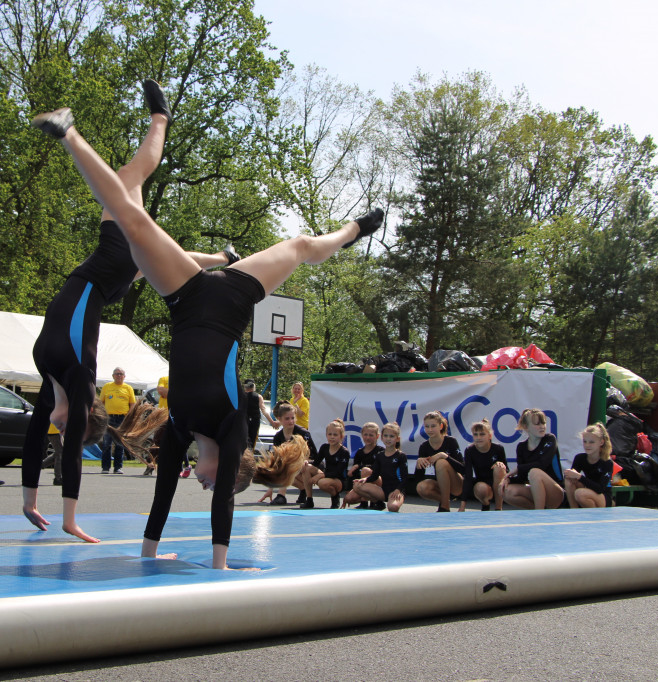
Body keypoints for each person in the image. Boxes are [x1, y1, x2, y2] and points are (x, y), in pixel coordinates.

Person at [30, 100, 385, 567]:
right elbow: (225, 507)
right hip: (234, 298)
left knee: (135, 226)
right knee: (300, 245)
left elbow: (159, 500)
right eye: (212, 483)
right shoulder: (233, 427)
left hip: (185, 296)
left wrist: (148, 557)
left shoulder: (180, 428)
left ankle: (69, 133)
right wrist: (219, 566)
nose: (202, 485)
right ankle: (352, 230)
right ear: (231, 470)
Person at [21, 81, 234, 541]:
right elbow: (69, 454)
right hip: (104, 272)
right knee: (128, 180)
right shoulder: (78, 380)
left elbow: (35, 436)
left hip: (107, 275)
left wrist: (29, 501)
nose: (60, 434)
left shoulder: (48, 384)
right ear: (84, 420)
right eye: (71, 433)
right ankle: (154, 122)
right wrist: (70, 517)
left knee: (133, 185)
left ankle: (218, 259)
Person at [500, 408, 565, 509]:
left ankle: (538, 515)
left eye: (543, 423)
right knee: (507, 491)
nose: (542, 427)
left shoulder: (549, 439)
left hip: (556, 492)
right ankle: (536, 510)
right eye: (537, 424)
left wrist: (518, 468)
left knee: (535, 472)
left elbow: (542, 464)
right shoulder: (521, 447)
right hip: (537, 492)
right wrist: (508, 480)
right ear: (526, 427)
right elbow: (522, 477)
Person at [266, 400, 318, 506]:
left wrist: (304, 460)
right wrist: (270, 488)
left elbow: (314, 454)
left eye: (292, 418)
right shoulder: (278, 437)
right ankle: (303, 489)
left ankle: (281, 496)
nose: (291, 421)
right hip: (293, 467)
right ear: (279, 419)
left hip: (308, 465)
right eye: (287, 419)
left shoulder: (303, 433)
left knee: (287, 466)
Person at [414, 411, 464, 512]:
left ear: (441, 426)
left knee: (441, 462)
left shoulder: (451, 442)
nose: (430, 429)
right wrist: (418, 464)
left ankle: (444, 507)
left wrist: (444, 456)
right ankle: (445, 502)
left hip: (457, 484)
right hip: (441, 485)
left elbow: (463, 469)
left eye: (433, 426)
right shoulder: (424, 447)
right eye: (427, 426)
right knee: (421, 487)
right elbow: (419, 478)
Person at [353, 422, 408, 512]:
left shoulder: (401, 456)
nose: (388, 439)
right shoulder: (380, 455)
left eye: (391, 436)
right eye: (386, 436)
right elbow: (375, 475)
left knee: (393, 507)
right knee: (357, 485)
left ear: (397, 439)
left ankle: (391, 500)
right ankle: (377, 501)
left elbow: (405, 478)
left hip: (396, 490)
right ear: (382, 438)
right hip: (383, 490)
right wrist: (365, 479)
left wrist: (398, 490)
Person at [458, 419, 508, 511]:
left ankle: (498, 508)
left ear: (490, 436)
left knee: (499, 467)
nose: (478, 437)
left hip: (497, 484)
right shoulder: (470, 451)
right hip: (482, 485)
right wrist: (462, 506)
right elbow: (468, 476)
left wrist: (500, 464)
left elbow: (507, 472)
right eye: (475, 434)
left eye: (482, 434)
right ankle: (485, 504)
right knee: (481, 488)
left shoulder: (498, 449)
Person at [563, 422, 615, 508]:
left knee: (580, 494)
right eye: (585, 441)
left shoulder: (607, 462)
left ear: (601, 442)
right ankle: (573, 510)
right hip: (589, 491)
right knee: (569, 480)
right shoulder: (580, 458)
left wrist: (579, 477)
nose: (587, 445)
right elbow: (570, 478)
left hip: (603, 497)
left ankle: (594, 516)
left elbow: (600, 489)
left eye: (591, 442)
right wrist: (570, 475)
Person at [302, 418, 351, 508]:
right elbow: (316, 463)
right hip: (326, 475)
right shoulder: (324, 447)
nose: (332, 437)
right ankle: (309, 499)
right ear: (326, 435)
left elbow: (338, 472)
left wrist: (321, 475)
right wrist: (306, 462)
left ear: (341, 436)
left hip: (339, 480)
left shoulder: (344, 452)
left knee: (322, 483)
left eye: (335, 435)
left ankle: (335, 496)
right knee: (306, 467)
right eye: (330, 434)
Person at [100, 367, 136, 474]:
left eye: (121, 374)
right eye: (116, 374)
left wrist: (129, 417)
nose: (119, 376)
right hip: (109, 418)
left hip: (122, 418)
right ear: (113, 376)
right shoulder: (107, 387)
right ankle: (105, 467)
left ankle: (118, 467)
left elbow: (132, 404)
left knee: (120, 443)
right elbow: (101, 402)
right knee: (107, 443)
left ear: (124, 376)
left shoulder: (128, 388)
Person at [341, 421, 383, 509]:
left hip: (377, 481)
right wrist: (349, 489)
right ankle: (365, 500)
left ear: (377, 436)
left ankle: (372, 501)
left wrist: (359, 467)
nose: (368, 437)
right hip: (363, 481)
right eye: (365, 435)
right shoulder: (359, 452)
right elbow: (354, 473)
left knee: (365, 470)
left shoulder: (380, 451)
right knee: (349, 498)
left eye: (371, 435)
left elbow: (378, 468)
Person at [243, 379, 276, 455]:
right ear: (254, 386)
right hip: (254, 421)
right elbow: (264, 410)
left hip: (243, 421)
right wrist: (272, 422)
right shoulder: (258, 397)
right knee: (252, 441)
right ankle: (250, 457)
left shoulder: (241, 396)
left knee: (243, 441)